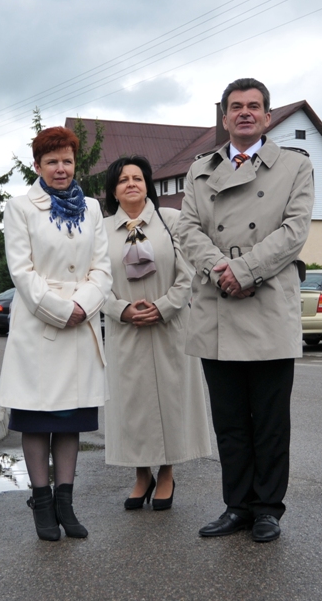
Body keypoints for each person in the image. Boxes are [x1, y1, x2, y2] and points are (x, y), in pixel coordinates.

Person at [177, 77, 314, 543]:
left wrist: (246, 270)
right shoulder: (199, 170)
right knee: (230, 422)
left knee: (270, 423)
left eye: (254, 106)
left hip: (267, 304)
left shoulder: (295, 166)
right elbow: (187, 230)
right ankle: (236, 506)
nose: (245, 113)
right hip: (217, 306)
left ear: (268, 117)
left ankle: (268, 510)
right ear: (225, 118)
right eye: (236, 107)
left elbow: (295, 231)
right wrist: (221, 271)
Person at [0, 126, 112, 541]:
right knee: (37, 419)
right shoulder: (20, 207)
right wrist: (63, 310)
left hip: (81, 325)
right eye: (52, 162)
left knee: (69, 421)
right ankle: (42, 503)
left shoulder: (92, 208)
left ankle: (66, 503)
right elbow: (21, 272)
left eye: (67, 161)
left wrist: (84, 305)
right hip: (40, 326)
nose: (61, 168)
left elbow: (102, 268)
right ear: (37, 165)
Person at [102, 156, 210, 511]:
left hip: (169, 326)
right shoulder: (101, 231)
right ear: (114, 191)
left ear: (147, 184)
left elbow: (188, 273)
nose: (131, 184)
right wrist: (121, 309)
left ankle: (166, 473)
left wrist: (164, 306)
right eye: (123, 180)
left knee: (170, 402)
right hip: (126, 330)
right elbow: (95, 281)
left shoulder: (172, 220)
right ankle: (141, 474)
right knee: (133, 406)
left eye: (137, 178)